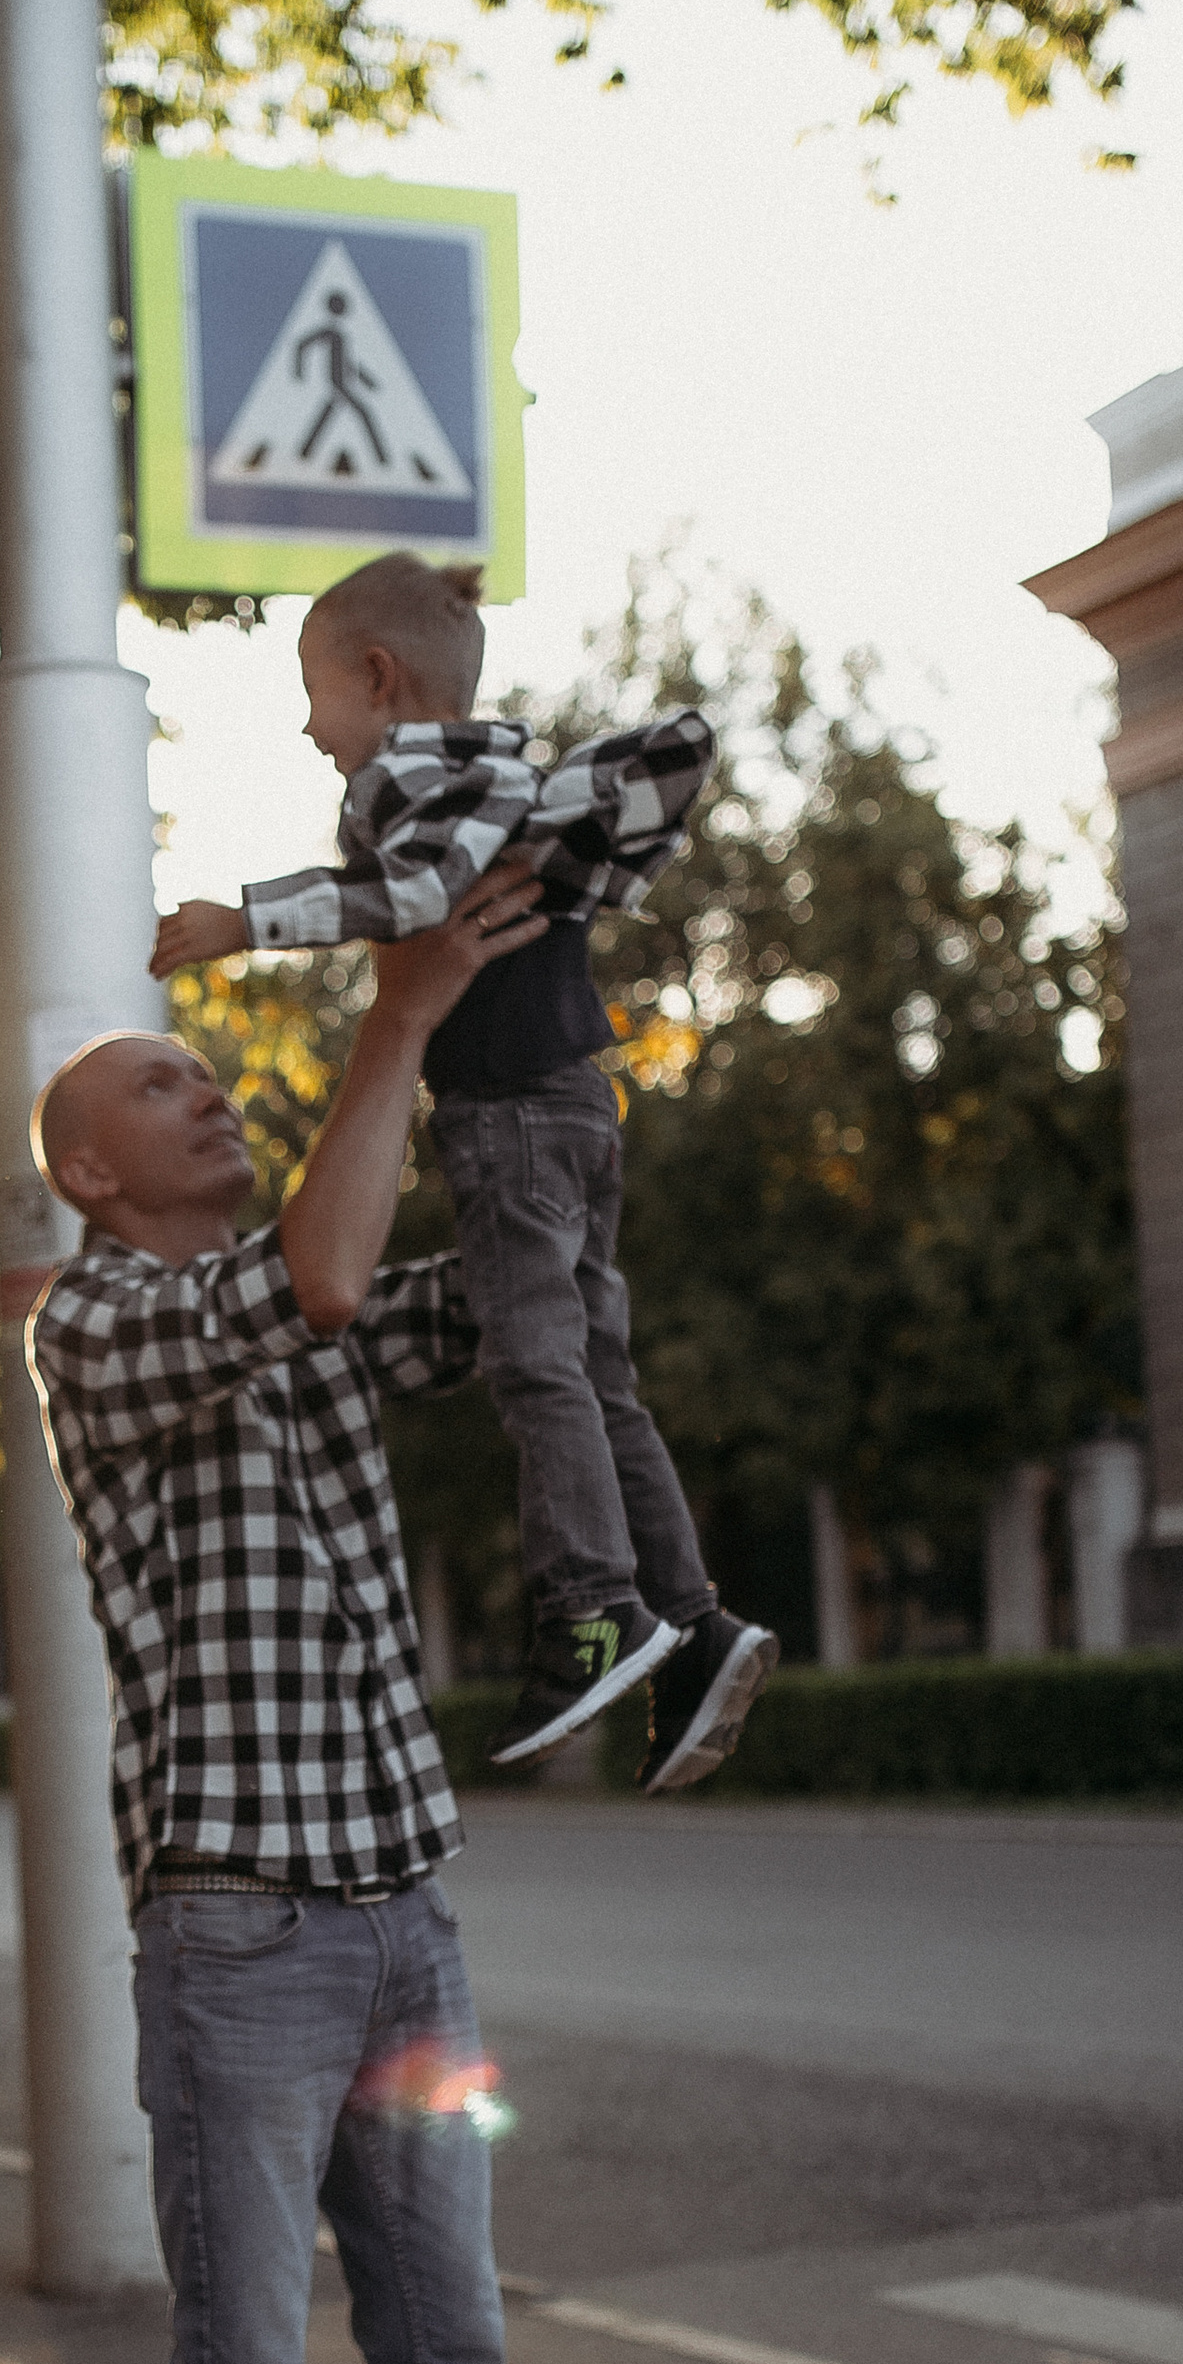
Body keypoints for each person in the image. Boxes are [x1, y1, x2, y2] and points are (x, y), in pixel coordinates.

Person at [26, 872, 647, 2364]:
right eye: (163, 1086)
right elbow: (318, 1275)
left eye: (209, 1071)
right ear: (87, 1172)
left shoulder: (309, 1287)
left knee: (448, 2362)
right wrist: (393, 1013)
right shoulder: (95, 1326)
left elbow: (504, 1291)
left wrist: (536, 1035)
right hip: (241, 1944)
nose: (210, 1090)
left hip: (407, 1926)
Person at [153, 549, 779, 1789]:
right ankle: (692, 1623)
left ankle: (590, 1611)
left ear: (379, 678)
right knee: (595, 1377)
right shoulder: (501, 777)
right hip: (576, 1107)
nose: (309, 727)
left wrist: (241, 921)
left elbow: (402, 900)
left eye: (315, 693)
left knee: (537, 1369)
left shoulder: (410, 784)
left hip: (508, 1113)